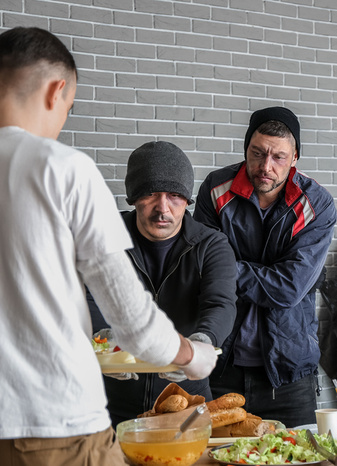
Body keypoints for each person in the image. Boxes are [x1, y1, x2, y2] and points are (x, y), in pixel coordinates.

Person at [0, 27, 217, 464]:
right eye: (70, 107)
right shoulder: (62, 169)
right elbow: (132, 321)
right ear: (56, 90)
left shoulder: (210, 245)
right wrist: (194, 355)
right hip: (53, 425)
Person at [193, 106, 337, 428]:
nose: (265, 167)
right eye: (257, 154)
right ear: (246, 147)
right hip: (220, 365)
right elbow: (204, 269)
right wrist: (258, 274)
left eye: (279, 158)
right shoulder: (216, 190)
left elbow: (289, 289)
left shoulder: (316, 205)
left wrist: (231, 268)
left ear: (295, 157)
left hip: (289, 374)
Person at [89, 141, 238, 426]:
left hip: (185, 405)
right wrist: (102, 341)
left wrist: (201, 343)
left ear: (187, 200)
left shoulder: (212, 245)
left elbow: (220, 304)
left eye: (174, 195)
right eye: (150, 194)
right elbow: (87, 296)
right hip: (106, 407)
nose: (163, 208)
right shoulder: (108, 235)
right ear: (133, 198)